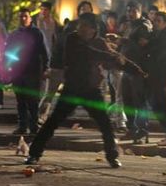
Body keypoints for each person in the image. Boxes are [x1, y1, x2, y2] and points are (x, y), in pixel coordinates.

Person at [25, 13, 147, 169]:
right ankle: (34, 154)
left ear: (93, 29)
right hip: (72, 88)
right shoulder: (72, 39)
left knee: (105, 124)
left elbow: (116, 59)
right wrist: (112, 57)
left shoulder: (99, 42)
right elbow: (89, 53)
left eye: (84, 26)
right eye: (80, 25)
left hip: (91, 90)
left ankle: (112, 157)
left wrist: (138, 71)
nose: (80, 28)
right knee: (53, 121)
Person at [5, 8, 48, 135]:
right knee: (21, 101)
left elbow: (44, 52)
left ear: (30, 18)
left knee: (32, 101)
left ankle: (33, 126)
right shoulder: (14, 34)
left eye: (25, 16)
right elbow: (8, 52)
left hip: (33, 72)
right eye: (21, 17)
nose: (23, 19)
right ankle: (22, 126)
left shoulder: (37, 33)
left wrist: (46, 68)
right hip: (17, 72)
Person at [118, 1, 152, 142]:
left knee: (139, 101)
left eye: (133, 11)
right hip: (127, 69)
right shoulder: (130, 26)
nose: (130, 14)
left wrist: (125, 41)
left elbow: (142, 46)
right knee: (128, 101)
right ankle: (132, 129)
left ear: (139, 11)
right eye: (128, 11)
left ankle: (142, 129)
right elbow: (126, 43)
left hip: (138, 69)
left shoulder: (144, 25)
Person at [144, 11, 166, 146]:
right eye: (155, 20)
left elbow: (158, 55)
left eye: (159, 21)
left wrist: (147, 49)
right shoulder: (156, 36)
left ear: (165, 23)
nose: (156, 23)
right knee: (156, 104)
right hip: (157, 75)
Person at [34, 1, 63, 123]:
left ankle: (41, 114)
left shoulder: (54, 22)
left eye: (45, 9)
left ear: (49, 10)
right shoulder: (36, 21)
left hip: (51, 57)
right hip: (39, 56)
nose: (43, 12)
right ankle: (38, 113)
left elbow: (56, 38)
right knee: (41, 87)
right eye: (42, 9)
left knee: (48, 89)